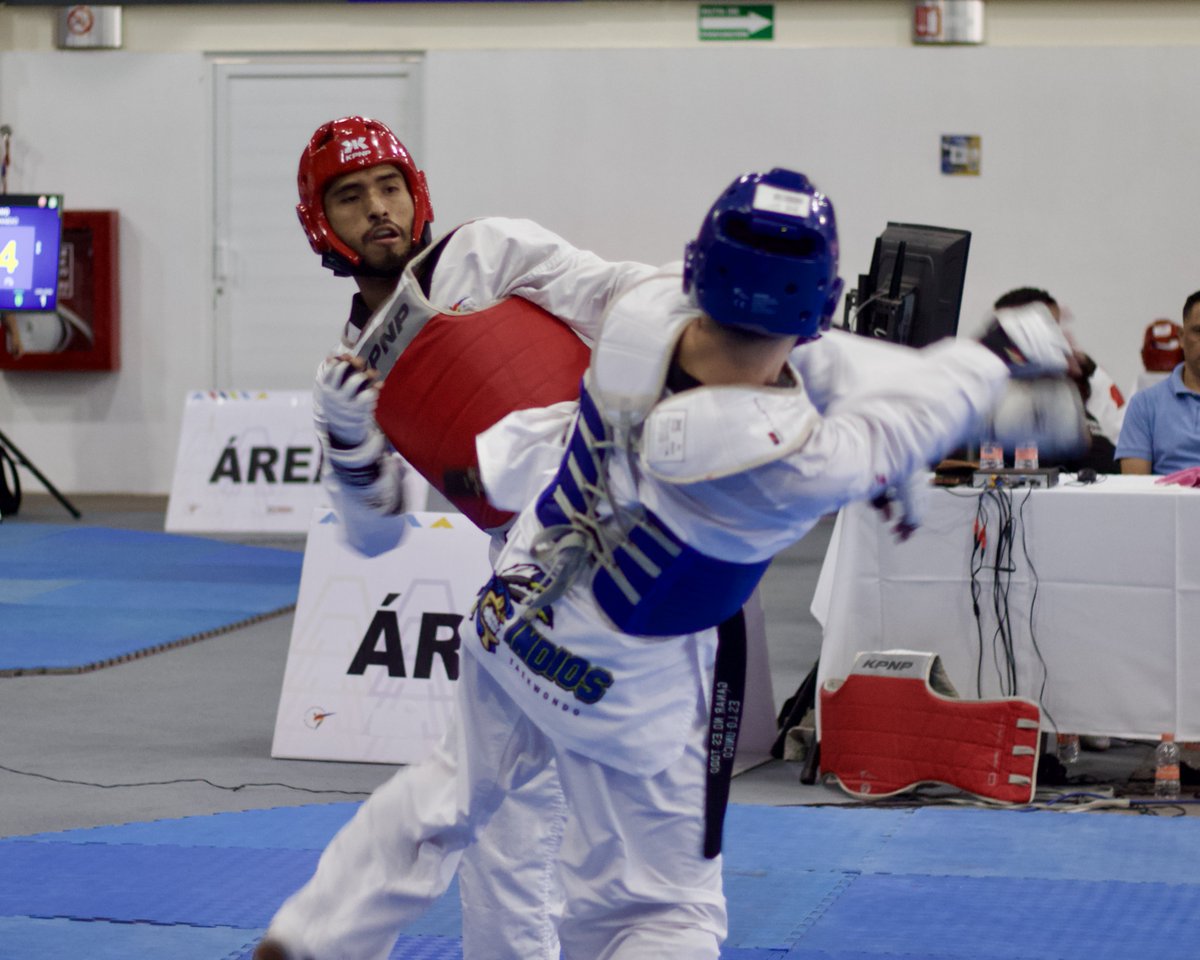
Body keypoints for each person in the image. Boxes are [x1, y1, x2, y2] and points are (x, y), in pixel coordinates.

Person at [255, 167, 1085, 960]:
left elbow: (820, 363)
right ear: (821, 305)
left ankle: (313, 937)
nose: (379, 208)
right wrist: (997, 363)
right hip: (623, 677)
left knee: (442, 795)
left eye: (388, 186)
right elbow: (887, 416)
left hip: (516, 610)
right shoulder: (789, 457)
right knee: (659, 906)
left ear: (697, 269)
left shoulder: (642, 315)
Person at [287, 116, 657, 960]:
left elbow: (619, 292)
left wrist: (724, 309)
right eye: (350, 197)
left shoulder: (487, 251)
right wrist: (349, 440)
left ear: (417, 196)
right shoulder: (347, 367)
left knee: (621, 828)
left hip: (627, 522)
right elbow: (375, 534)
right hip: (523, 568)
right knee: (503, 815)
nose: (377, 209)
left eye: (390, 188)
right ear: (321, 224)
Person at [991, 288, 1118, 474]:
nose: (1056, 340)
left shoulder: (1086, 377)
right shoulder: (977, 385)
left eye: (1055, 328)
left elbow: (1109, 463)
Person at [1116, 289, 1200, 474]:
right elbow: (1134, 491)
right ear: (1181, 337)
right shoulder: (1144, 405)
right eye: (1198, 331)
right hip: (1166, 502)